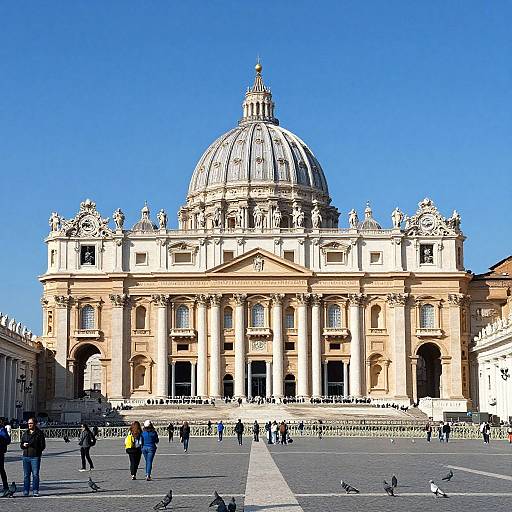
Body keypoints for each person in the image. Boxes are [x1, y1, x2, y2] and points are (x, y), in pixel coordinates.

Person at [20, 417, 46, 497]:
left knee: (35, 475)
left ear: (35, 424)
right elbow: (21, 444)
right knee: (26, 475)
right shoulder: (25, 433)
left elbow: (42, 446)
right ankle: (26, 490)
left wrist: (34, 446)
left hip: (35, 457)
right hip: (26, 456)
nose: (29, 425)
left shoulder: (39, 433)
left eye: (31, 423)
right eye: (28, 423)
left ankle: (35, 490)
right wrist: (23, 445)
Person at [0, 419, 11, 494]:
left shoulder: (2, 429)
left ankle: (5, 487)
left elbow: (7, 440)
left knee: (1, 470)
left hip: (0, 452)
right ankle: (5, 486)